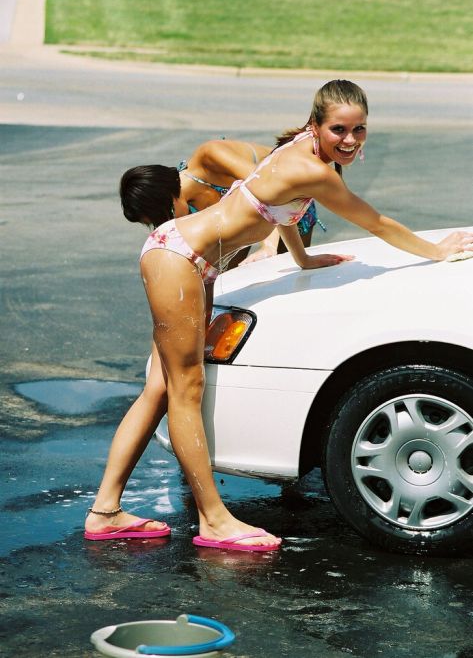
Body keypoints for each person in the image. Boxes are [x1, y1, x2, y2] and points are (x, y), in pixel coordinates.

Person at [85, 79, 473, 552]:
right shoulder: (315, 169)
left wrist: (304, 260)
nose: (349, 140)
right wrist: (435, 249)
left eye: (359, 130)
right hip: (179, 256)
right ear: (316, 124)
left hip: (192, 259)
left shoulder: (302, 150)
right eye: (339, 130)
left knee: (163, 387)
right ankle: (213, 520)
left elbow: (283, 211)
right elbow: (376, 222)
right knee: (184, 389)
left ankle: (106, 511)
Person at [119, 137, 325, 268]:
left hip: (290, 202)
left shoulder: (211, 156)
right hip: (251, 219)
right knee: (227, 280)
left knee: (289, 274)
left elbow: (271, 193)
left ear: (169, 200)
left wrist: (268, 247)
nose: (169, 224)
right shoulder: (187, 208)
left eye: (165, 217)